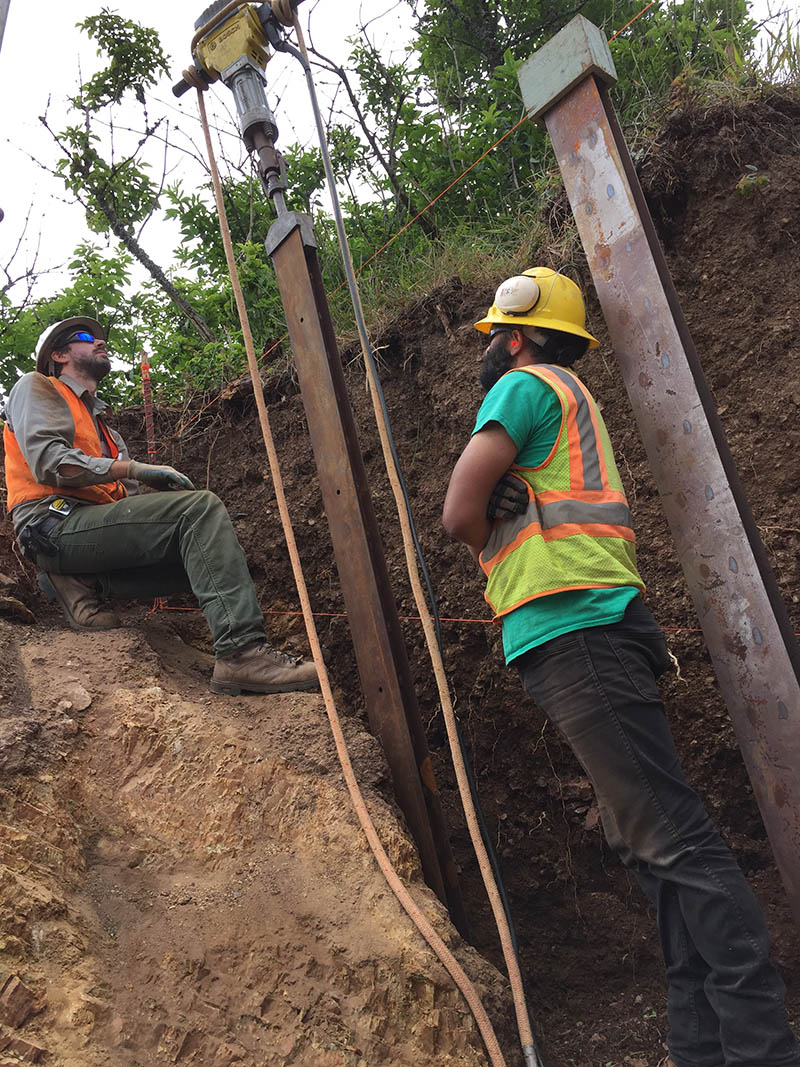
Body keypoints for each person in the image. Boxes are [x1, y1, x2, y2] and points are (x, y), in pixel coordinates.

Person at [442, 267, 800, 1067]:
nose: (489, 347)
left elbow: (457, 511)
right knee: (649, 841)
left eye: (495, 333)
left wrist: (486, 515)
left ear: (521, 335)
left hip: (575, 629)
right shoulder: (565, 397)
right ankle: (702, 1041)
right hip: (591, 628)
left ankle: (757, 1048)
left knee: (673, 841)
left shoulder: (525, 385)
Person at [3, 316, 318, 697]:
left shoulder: (107, 431)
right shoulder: (37, 388)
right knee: (199, 510)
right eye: (87, 338)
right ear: (58, 354)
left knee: (210, 556)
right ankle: (242, 655)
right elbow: (50, 462)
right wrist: (136, 469)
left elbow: (125, 506)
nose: (100, 342)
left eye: (102, 338)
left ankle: (82, 581)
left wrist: (182, 517)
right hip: (51, 522)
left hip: (85, 530)